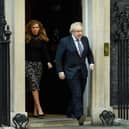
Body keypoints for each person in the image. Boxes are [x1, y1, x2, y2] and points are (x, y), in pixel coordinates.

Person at [55, 22, 94, 125]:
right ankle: (79, 116)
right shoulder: (65, 41)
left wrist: (91, 63)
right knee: (77, 93)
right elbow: (58, 58)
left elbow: (89, 53)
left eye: (81, 31)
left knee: (79, 93)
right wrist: (60, 71)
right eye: (77, 31)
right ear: (72, 31)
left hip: (83, 71)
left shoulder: (85, 40)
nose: (80, 33)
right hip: (71, 72)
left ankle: (69, 111)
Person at [25, 20, 53, 118]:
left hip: (39, 65)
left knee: (36, 86)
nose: (35, 29)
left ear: (39, 28)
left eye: (37, 27)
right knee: (34, 84)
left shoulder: (42, 39)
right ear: (30, 29)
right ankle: (40, 109)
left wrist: (48, 62)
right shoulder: (26, 39)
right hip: (28, 64)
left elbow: (45, 52)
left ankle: (35, 111)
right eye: (33, 27)